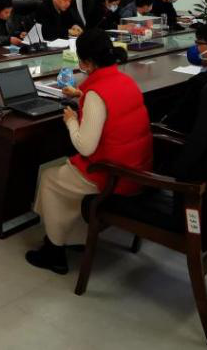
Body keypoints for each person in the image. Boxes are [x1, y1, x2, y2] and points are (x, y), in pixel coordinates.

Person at [27, 29, 153, 274]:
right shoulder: (125, 80)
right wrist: (82, 94)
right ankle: (74, 238)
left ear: (85, 62)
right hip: (136, 167)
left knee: (50, 178)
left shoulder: (96, 94)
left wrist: (71, 120)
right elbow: (108, 103)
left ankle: (54, 251)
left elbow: (85, 146)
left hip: (112, 176)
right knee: (65, 176)